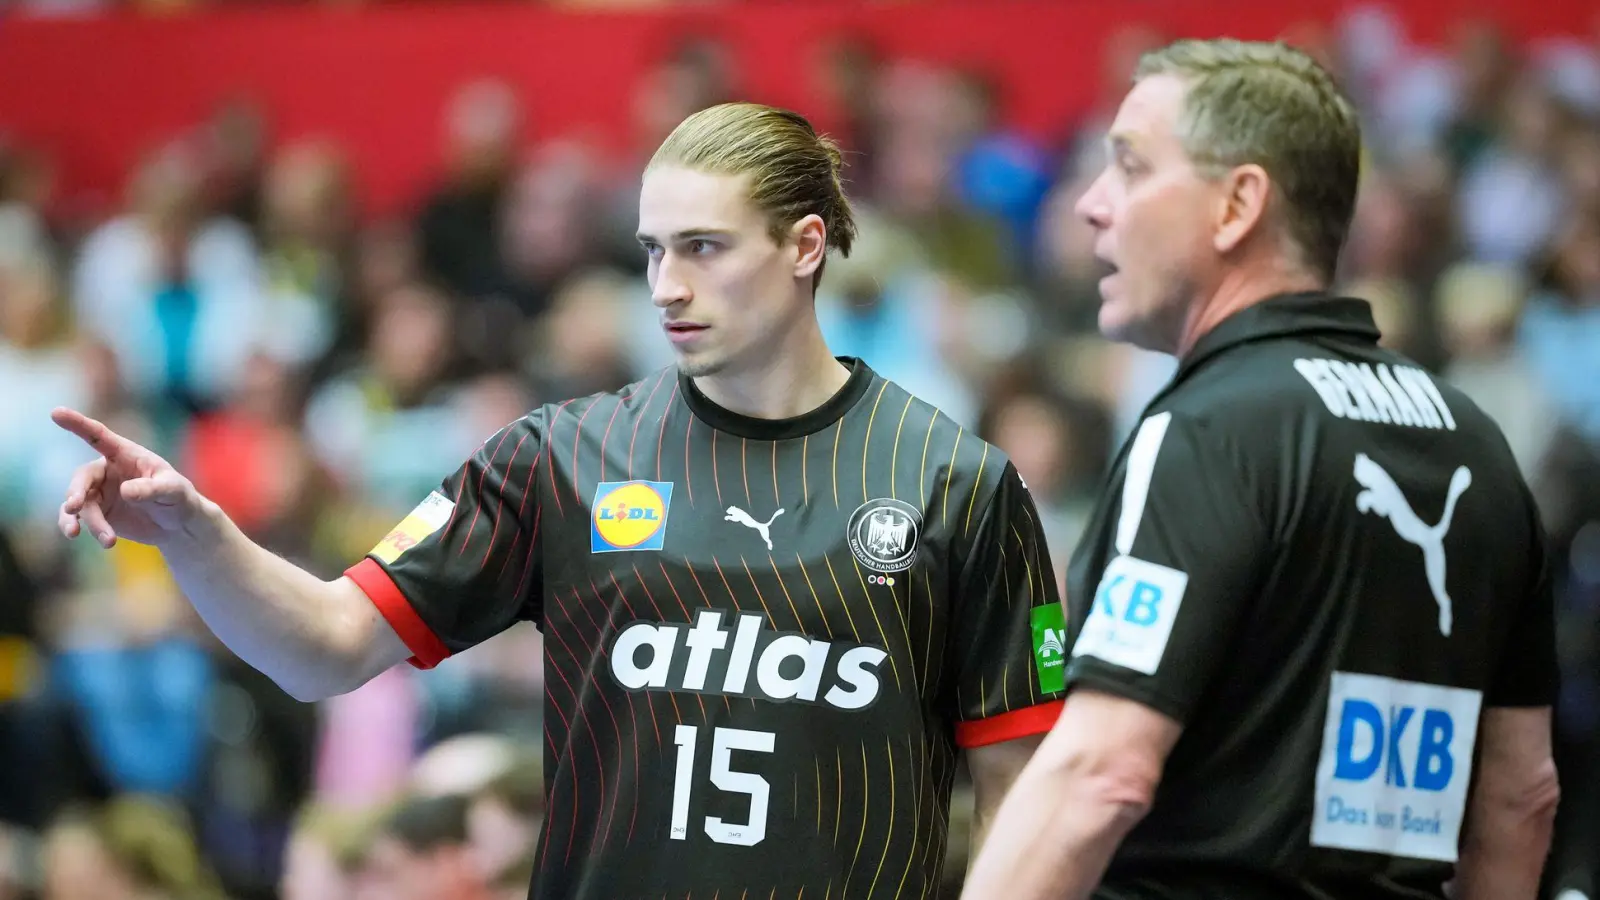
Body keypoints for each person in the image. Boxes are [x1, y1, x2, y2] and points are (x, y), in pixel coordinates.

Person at [53, 101, 1065, 899]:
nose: (666, 285)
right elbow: (321, 647)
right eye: (651, 250)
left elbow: (1025, 800)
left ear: (805, 247)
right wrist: (197, 531)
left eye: (703, 247)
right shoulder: (561, 456)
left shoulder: (960, 486)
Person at [962, 39, 1560, 900]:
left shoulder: (1208, 430)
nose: (1093, 204)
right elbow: (1522, 799)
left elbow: (1102, 773)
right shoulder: (1477, 445)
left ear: (1238, 203)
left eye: (1129, 167)